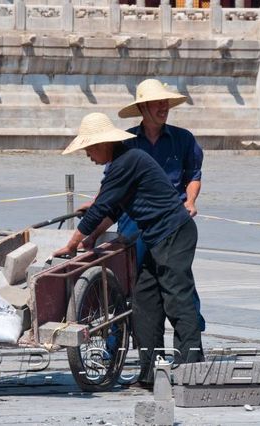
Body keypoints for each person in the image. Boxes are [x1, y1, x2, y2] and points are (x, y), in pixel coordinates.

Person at [53, 113, 204, 387]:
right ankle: (150, 374)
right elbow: (113, 209)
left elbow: (100, 207)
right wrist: (93, 237)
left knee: (177, 299)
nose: (88, 155)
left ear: (102, 144)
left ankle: (191, 369)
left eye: (88, 149)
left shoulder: (127, 161)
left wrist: (73, 243)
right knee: (145, 302)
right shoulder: (122, 163)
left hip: (174, 233)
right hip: (155, 237)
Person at [116, 78, 206, 332]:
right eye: (157, 103)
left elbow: (193, 177)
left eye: (165, 102)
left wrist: (190, 200)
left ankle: (191, 335)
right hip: (134, 222)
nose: (163, 107)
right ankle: (115, 342)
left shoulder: (184, 139)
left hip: (171, 224)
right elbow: (112, 184)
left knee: (178, 279)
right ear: (143, 108)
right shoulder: (126, 142)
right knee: (131, 283)